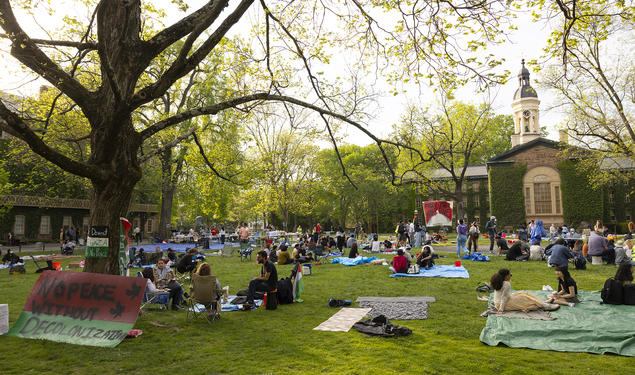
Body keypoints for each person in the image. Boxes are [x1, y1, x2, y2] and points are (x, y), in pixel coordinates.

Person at [491, 268, 556, 314]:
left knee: (523, 294)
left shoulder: (499, 281)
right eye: (509, 274)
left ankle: (542, 302)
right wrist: (501, 309)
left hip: (499, 303)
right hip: (502, 304)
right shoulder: (506, 284)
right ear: (505, 276)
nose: (510, 275)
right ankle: (545, 306)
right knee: (524, 298)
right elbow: (504, 297)